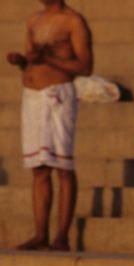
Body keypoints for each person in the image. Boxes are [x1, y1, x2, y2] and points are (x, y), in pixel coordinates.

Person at [6, 0, 93, 251]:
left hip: (57, 95)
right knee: (39, 168)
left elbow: (85, 66)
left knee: (62, 166)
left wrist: (50, 59)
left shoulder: (74, 22)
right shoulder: (34, 19)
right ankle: (40, 233)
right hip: (31, 96)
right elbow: (32, 58)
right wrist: (22, 61)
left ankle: (62, 236)